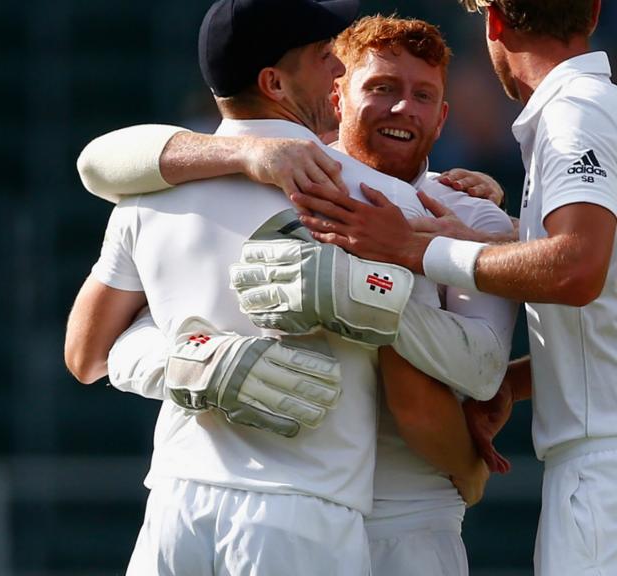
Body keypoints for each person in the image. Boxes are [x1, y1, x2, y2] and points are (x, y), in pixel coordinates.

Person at [65, 2, 503, 574]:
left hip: (174, 504)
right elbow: (432, 390)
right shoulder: (380, 205)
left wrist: (186, 357)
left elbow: (86, 354)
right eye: (327, 61)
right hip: (302, 513)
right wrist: (467, 466)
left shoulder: (147, 196)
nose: (337, 73)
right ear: (274, 82)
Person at [264, 2, 617, 575]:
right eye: (380, 86)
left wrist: (414, 251)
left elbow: (576, 269)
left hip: (596, 469)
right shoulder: (583, 114)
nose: (403, 106)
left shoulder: (577, 113)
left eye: (423, 94)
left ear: (494, 21)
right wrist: (518, 380)